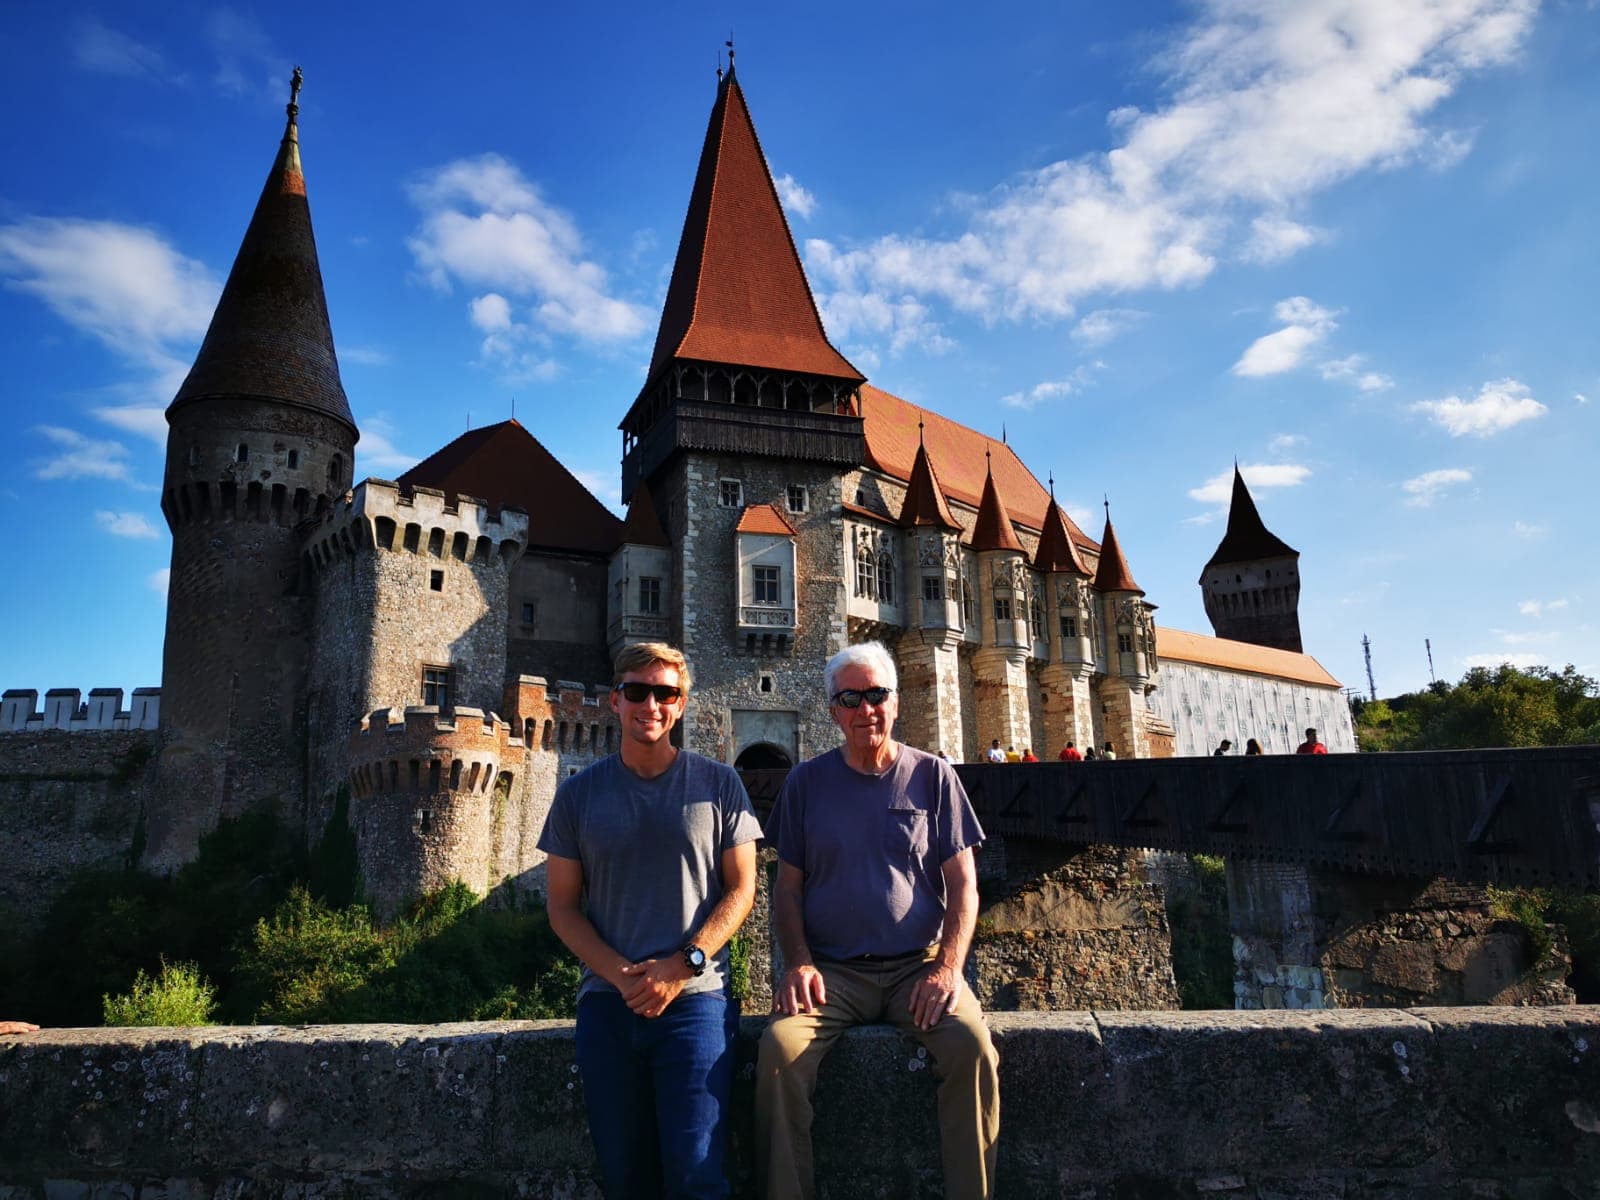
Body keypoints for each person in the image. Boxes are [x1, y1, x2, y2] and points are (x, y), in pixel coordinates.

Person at [756, 641, 1000, 1200]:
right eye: (851, 698)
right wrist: (797, 963)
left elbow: (965, 886)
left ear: (895, 702)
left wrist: (948, 970)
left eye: (876, 695)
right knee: (777, 1054)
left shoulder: (934, 777)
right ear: (833, 710)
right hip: (834, 974)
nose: (866, 709)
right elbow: (786, 890)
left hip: (919, 969)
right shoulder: (806, 784)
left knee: (973, 1049)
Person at [539, 642, 762, 1200]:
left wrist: (683, 965)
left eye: (665, 693)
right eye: (638, 691)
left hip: (697, 1002)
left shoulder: (718, 785)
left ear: (682, 704)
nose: (651, 705)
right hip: (608, 1005)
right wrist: (621, 975)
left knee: (697, 1178)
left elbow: (742, 890)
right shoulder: (577, 796)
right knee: (625, 1178)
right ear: (614, 701)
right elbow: (562, 907)